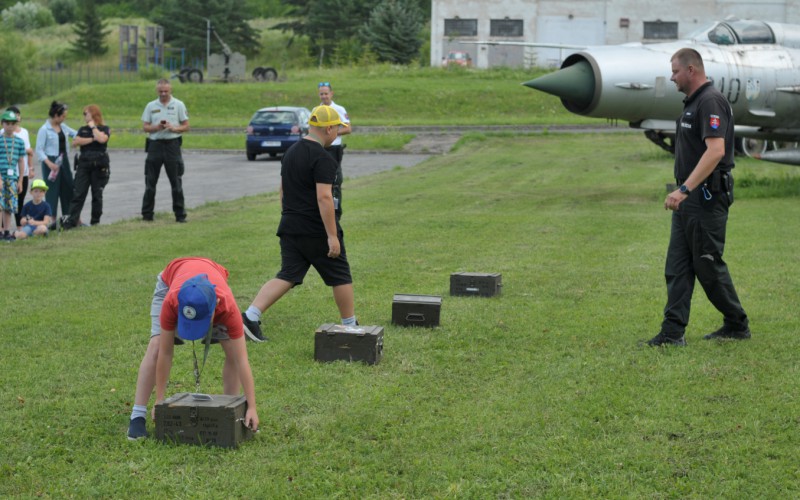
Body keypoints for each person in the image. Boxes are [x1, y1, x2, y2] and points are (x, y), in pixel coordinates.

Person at [647, 48, 750, 347]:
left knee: (707, 265)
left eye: (675, 71)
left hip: (704, 197)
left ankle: (736, 323)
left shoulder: (710, 101)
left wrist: (683, 189)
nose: (671, 77)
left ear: (691, 70)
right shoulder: (693, 103)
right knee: (677, 265)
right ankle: (672, 332)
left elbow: (716, 151)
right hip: (689, 199)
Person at [241, 105, 358, 343]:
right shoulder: (323, 158)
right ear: (328, 128)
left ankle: (250, 316)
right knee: (340, 275)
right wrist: (332, 236)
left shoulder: (291, 152)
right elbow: (324, 197)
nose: (337, 133)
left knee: (289, 273)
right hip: (314, 228)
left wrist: (289, 214)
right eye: (337, 128)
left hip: (290, 225)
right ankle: (350, 326)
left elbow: (283, 189)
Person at [127, 257, 259, 440]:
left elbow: (241, 359)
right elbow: (166, 353)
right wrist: (160, 400)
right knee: (157, 346)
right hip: (170, 282)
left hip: (211, 280)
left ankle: (232, 410)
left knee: (232, 350)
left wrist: (251, 406)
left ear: (215, 309)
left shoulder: (227, 306)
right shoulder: (171, 301)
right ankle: (137, 416)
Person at [140, 79, 189, 223]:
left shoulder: (178, 105)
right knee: (150, 182)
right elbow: (145, 127)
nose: (163, 94)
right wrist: (157, 127)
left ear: (170, 90)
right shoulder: (151, 106)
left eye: (166, 91)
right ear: (157, 90)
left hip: (172, 145)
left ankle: (180, 215)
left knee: (176, 182)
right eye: (160, 91)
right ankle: (147, 214)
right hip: (155, 145)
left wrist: (174, 128)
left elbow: (186, 126)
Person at [62, 105, 110, 229]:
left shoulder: (104, 128)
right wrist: (92, 139)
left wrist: (93, 127)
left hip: (99, 165)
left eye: (86, 113)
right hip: (83, 164)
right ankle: (72, 221)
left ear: (94, 114)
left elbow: (102, 139)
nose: (84, 116)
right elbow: (75, 142)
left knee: (97, 194)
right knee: (78, 193)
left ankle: (95, 221)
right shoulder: (82, 129)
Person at [35, 101, 77, 226]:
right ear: (56, 115)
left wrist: (79, 139)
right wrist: (49, 163)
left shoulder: (63, 127)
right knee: (52, 191)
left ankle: (67, 217)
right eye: (63, 116)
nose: (64, 118)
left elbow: (75, 133)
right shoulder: (44, 129)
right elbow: (39, 149)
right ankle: (51, 220)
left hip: (63, 160)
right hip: (51, 161)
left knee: (67, 187)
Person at [317, 82, 351, 220]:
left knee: (335, 180)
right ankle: (322, 210)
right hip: (321, 149)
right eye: (321, 94)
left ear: (331, 93)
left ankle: (336, 211)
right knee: (320, 180)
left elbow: (348, 129)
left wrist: (332, 133)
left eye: (326, 93)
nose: (324, 96)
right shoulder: (316, 110)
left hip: (334, 149)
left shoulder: (339, 109)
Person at [6, 106, 35, 228]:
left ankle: (19, 228)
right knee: (6, 202)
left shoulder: (24, 132)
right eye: (13, 114)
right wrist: (24, 149)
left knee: (20, 201)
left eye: (17, 114)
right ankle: (4, 230)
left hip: (23, 173)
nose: (16, 116)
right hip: (8, 173)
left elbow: (29, 152)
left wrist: (31, 167)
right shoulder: (3, 132)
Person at [1, 110, 25, 241]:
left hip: (12, 178)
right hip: (1, 176)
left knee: (9, 206)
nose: (10, 126)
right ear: (2, 124)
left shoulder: (20, 142)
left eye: (12, 123)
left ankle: (7, 231)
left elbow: (21, 161)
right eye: (7, 123)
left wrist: (20, 180)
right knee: (0, 205)